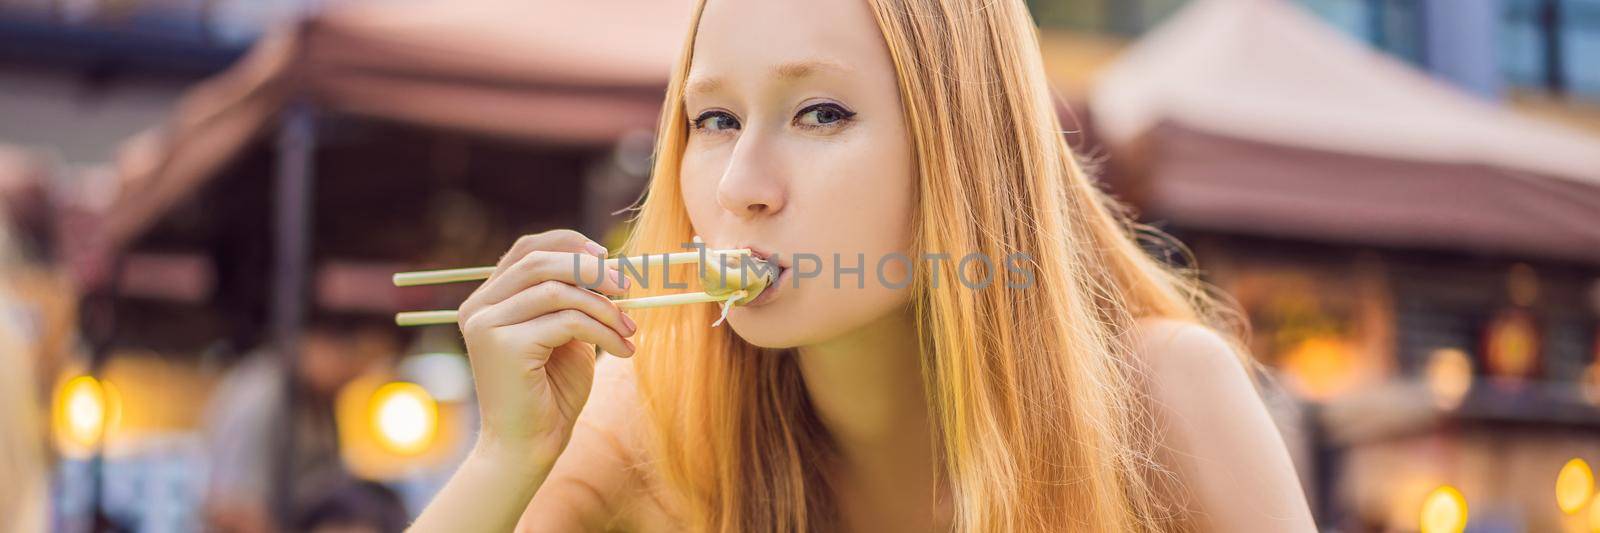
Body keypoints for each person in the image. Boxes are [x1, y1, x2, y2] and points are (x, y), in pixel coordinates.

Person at [411, 0, 1316, 531]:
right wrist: (506, 453)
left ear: (962, 148)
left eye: (820, 115)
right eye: (714, 120)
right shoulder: (645, 412)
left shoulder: (1161, 397)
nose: (741, 186)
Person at [202, 314, 398, 533]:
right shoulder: (263, 393)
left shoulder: (318, 402)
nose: (357, 375)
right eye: (357, 361)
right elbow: (230, 507)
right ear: (320, 344)